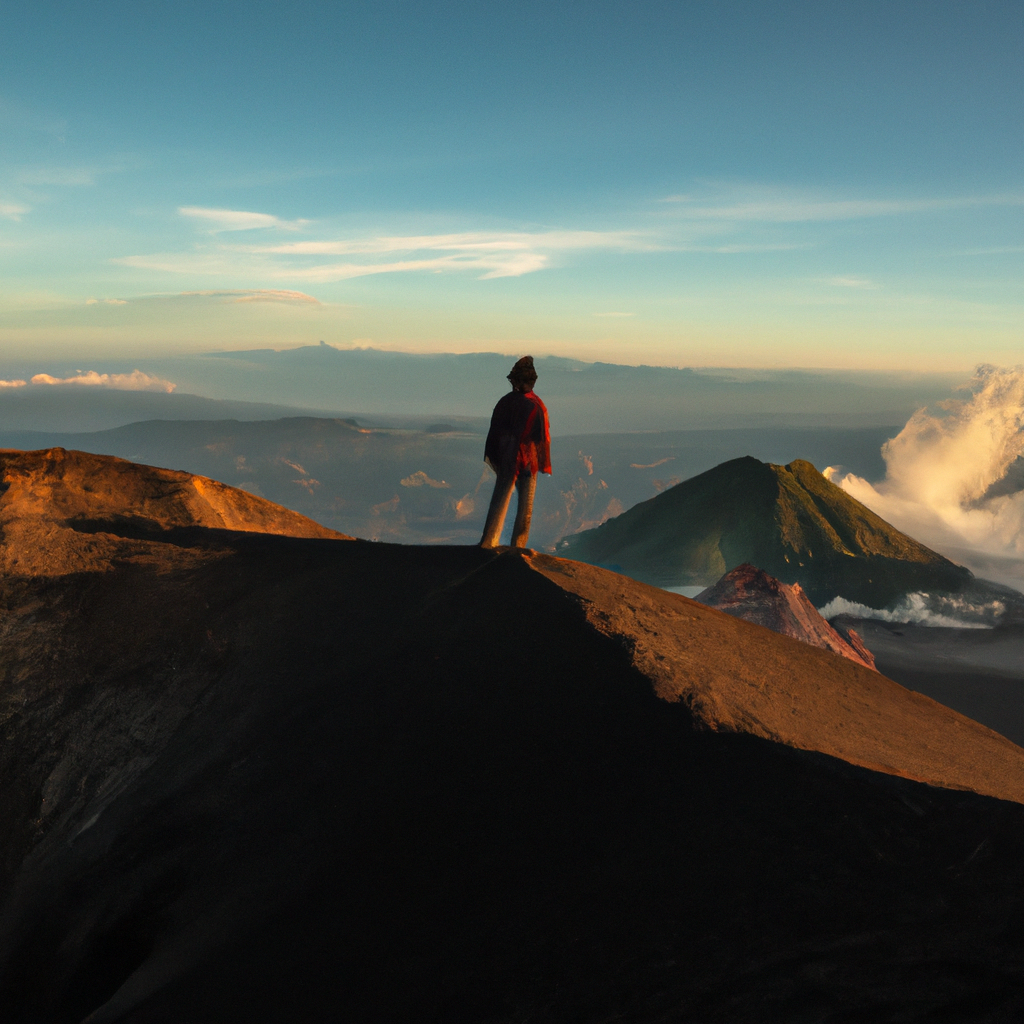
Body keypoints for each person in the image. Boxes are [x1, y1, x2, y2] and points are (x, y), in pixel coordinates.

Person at [479, 356, 551, 549]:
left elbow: (494, 434)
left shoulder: (505, 403)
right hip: (527, 460)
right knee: (525, 506)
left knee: (500, 499)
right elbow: (540, 438)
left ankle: (488, 542)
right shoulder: (535, 405)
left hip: (508, 457)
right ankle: (517, 547)